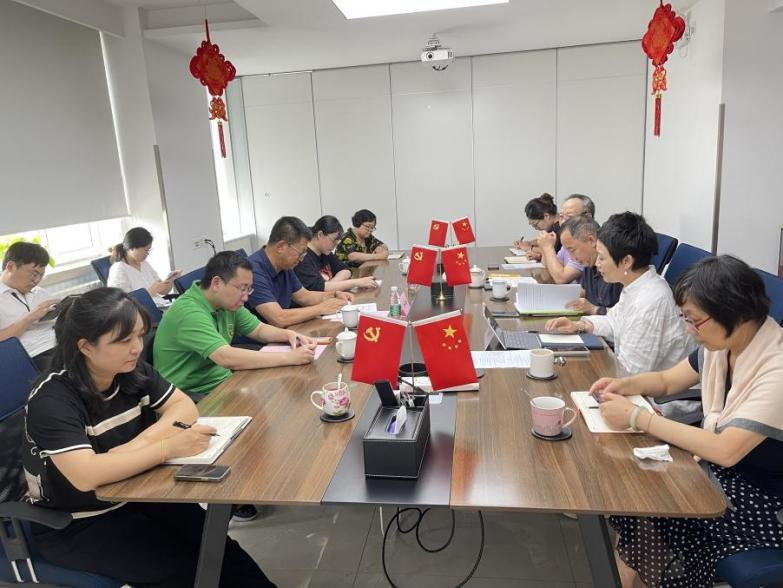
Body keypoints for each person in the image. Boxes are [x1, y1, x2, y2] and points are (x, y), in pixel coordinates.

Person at [22, 288, 273, 586]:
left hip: (139, 492)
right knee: (185, 570)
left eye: (140, 336)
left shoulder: (129, 370)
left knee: (219, 549)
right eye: (124, 340)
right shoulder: (53, 400)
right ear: (86, 347)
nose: (137, 348)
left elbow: (183, 406)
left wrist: (137, 445)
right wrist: (166, 448)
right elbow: (86, 475)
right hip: (79, 522)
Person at [591, 256, 783, 588]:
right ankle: (641, 577)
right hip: (725, 474)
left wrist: (637, 417)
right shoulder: (724, 345)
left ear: (736, 313)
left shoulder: (776, 371)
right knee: (639, 499)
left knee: (653, 504)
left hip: (765, 501)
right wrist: (625, 384)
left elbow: (725, 450)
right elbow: (668, 381)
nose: (690, 331)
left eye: (695, 321)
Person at [545, 212, 695, 377]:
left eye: (602, 258)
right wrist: (581, 325)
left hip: (650, 391)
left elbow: (630, 372)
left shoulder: (650, 302)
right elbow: (614, 321)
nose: (597, 263)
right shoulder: (636, 285)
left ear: (626, 261)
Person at [154, 251, 317, 400]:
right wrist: (289, 358)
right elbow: (226, 357)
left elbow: (259, 329)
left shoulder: (225, 302)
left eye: (249, 290)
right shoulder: (188, 312)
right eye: (242, 289)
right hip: (192, 398)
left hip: (224, 383)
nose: (246, 298)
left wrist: (288, 335)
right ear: (216, 283)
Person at [247, 217, 353, 328]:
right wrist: (321, 308)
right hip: (262, 337)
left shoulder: (284, 265)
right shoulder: (253, 271)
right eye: (300, 253)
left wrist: (334, 294)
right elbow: (279, 318)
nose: (302, 259)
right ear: (281, 247)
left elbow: (304, 296)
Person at [0, 241, 58, 370]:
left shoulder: (40, 292)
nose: (37, 280)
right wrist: (29, 318)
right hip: (34, 355)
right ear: (11, 267)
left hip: (61, 344)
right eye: (34, 273)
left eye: (41, 275)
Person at [295, 215, 379, 292]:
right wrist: (356, 282)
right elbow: (318, 288)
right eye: (333, 241)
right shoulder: (302, 257)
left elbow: (346, 270)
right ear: (320, 235)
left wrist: (332, 284)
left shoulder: (325, 252)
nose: (334, 246)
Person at [559, 215, 622, 315]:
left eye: (572, 250)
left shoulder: (617, 267)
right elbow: (588, 294)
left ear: (591, 240)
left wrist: (595, 309)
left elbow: (625, 315)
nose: (572, 258)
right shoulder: (588, 265)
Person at [107, 227, 180, 303]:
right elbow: (124, 303)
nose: (147, 254)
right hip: (142, 309)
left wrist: (170, 280)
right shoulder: (118, 270)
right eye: (146, 250)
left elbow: (163, 292)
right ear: (132, 248)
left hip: (160, 305)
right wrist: (151, 291)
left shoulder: (145, 264)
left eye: (149, 250)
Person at [536, 194, 593, 284]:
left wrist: (548, 248)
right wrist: (545, 246)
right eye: (561, 216)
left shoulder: (585, 242)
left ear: (588, 217)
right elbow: (549, 266)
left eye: (569, 217)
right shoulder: (568, 238)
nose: (563, 222)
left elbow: (561, 278)